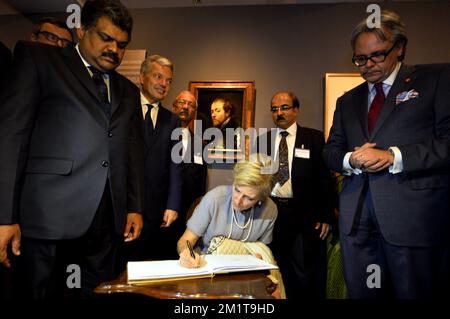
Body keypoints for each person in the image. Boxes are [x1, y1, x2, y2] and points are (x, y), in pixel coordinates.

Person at [0, 0, 144, 298]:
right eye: (106, 38)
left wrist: (134, 206)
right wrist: (4, 216)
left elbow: (132, 153)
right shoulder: (39, 60)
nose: (114, 50)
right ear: (82, 30)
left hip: (106, 225)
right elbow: (11, 138)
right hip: (45, 219)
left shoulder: (129, 92)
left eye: (122, 44)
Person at [322, 10, 450, 298]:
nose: (368, 65)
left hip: (413, 221)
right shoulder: (347, 101)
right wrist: (350, 160)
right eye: (360, 59)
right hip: (357, 225)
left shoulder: (436, 79)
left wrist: (394, 156)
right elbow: (331, 151)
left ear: (400, 47)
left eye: (377, 55)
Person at [256, 91, 334, 299]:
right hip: (270, 213)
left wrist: (326, 214)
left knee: (304, 272)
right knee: (273, 269)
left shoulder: (314, 138)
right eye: (274, 109)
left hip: (303, 215)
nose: (278, 113)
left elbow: (324, 178)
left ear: (296, 110)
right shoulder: (262, 140)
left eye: (284, 107)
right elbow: (255, 179)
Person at [127, 54, 182, 261]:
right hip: (124, 206)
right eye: (158, 77)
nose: (164, 84)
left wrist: (173, 205)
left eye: (168, 81)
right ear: (142, 77)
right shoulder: (124, 111)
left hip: (156, 210)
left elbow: (175, 165)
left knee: (148, 267)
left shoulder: (173, 121)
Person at [177, 157, 277, 265]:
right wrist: (186, 253)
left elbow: (263, 248)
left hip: (245, 268)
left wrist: (260, 257)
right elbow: (184, 241)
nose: (238, 200)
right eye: (237, 190)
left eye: (249, 198)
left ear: (261, 199)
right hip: (208, 264)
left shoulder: (270, 210)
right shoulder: (214, 199)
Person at [171, 91, 208, 239]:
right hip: (160, 211)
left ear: (194, 112)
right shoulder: (160, 137)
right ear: (174, 106)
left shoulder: (201, 144)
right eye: (182, 102)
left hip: (187, 215)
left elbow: (202, 179)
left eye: (190, 105)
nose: (185, 107)